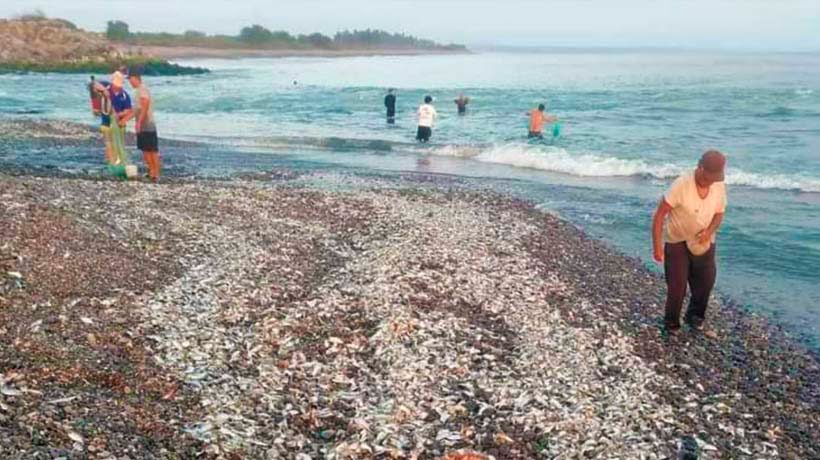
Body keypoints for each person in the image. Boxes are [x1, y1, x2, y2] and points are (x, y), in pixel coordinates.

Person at [651, 150, 728, 334]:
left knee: (706, 282)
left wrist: (709, 231)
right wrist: (657, 247)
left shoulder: (718, 185)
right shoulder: (681, 185)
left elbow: (719, 213)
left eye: (716, 178)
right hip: (677, 240)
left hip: (703, 241)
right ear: (700, 168)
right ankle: (671, 324)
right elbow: (660, 215)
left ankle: (695, 316)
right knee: (677, 286)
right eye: (709, 177)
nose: (712, 181)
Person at [128, 68, 161, 182]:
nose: (129, 82)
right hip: (143, 124)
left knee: (152, 150)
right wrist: (125, 118)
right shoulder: (138, 90)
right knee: (145, 150)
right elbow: (136, 109)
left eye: (130, 80)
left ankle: (155, 173)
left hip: (147, 124)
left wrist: (139, 122)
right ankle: (151, 171)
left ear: (135, 78)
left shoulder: (142, 89)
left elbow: (145, 105)